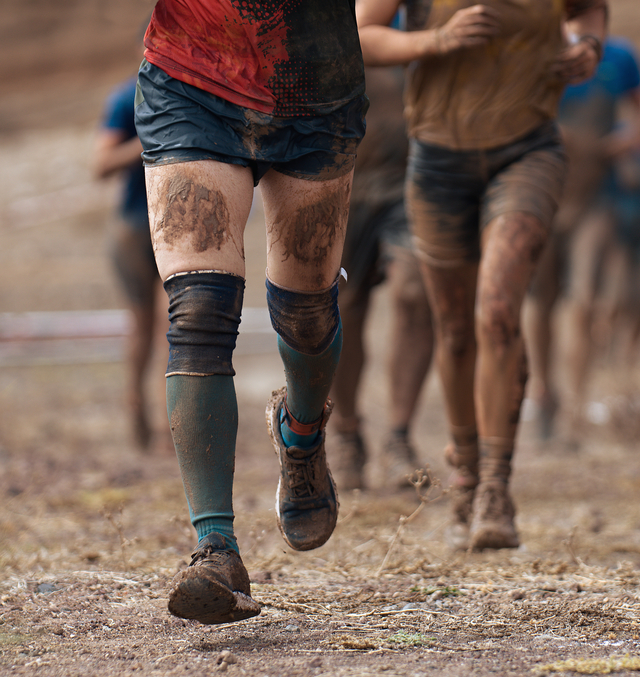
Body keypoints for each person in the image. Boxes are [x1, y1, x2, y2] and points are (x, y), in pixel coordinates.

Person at [135, 0, 367, 624]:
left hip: (315, 92)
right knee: (199, 307)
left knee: (306, 313)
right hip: (193, 82)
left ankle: (302, 435)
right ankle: (215, 548)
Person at [356, 0, 608, 549]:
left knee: (496, 312)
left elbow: (589, 11)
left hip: (528, 151)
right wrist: (434, 41)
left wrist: (588, 47)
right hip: (438, 158)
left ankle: (496, 484)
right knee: (454, 327)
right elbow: (363, 33)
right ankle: (465, 466)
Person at [523, 36, 640, 441]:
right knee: (541, 303)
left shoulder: (620, 59)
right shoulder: (534, 48)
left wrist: (619, 144)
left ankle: (576, 407)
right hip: (543, 193)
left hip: (596, 196)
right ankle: (545, 389)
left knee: (584, 301)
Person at [329, 64, 435, 492]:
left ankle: (399, 438)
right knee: (342, 308)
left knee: (415, 293)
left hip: (410, 184)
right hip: (341, 182)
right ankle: (348, 434)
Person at [92, 76, 169, 453]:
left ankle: (173, 425)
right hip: (136, 228)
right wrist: (155, 137)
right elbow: (102, 163)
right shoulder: (126, 99)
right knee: (143, 326)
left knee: (175, 323)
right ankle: (137, 406)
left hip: (177, 222)